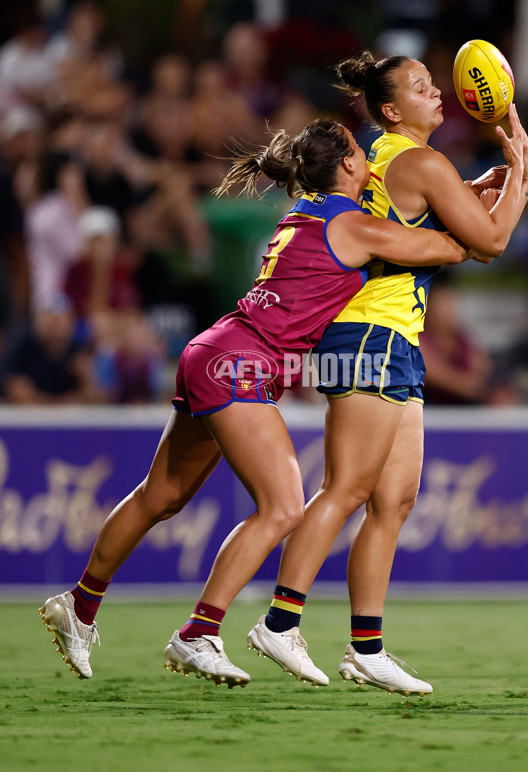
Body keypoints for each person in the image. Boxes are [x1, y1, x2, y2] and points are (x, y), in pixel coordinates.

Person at [39, 118, 472, 686]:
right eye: (358, 152)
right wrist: (480, 199)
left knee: (160, 495)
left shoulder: (304, 213)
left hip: (213, 349)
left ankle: (81, 603)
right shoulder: (353, 224)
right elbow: (452, 246)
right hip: (241, 363)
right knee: (283, 505)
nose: (368, 157)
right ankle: (199, 632)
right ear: (346, 165)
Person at [247, 51, 528, 696]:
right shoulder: (421, 161)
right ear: (390, 109)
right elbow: (487, 245)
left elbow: (423, 217)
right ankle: (279, 621)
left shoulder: (383, 157)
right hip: (371, 334)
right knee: (347, 488)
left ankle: (367, 648)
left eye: (435, 84)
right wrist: (522, 180)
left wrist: (483, 188)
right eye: (422, 87)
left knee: (394, 499)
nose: (438, 93)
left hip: (388, 338)